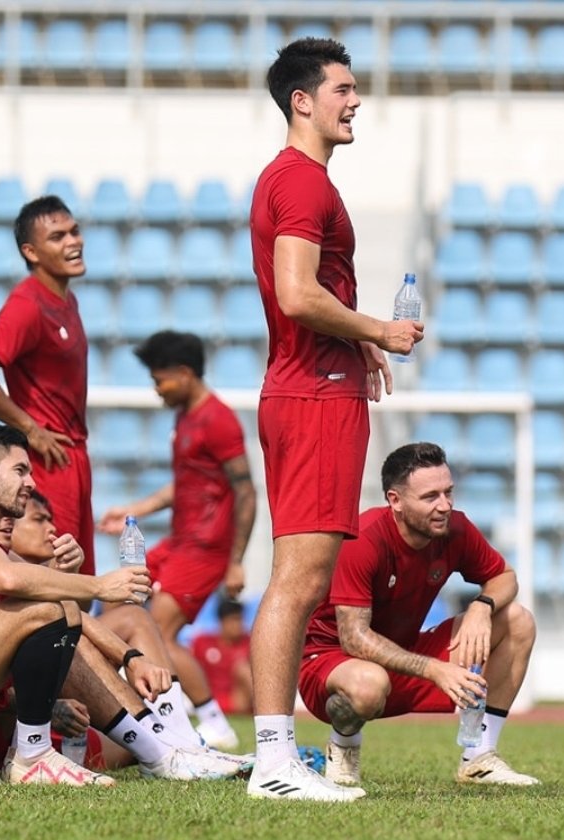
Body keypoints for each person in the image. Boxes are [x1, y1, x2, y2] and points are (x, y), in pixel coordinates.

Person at [245, 37, 425, 801]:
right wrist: (375, 330)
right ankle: (274, 761)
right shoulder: (300, 182)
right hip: (311, 396)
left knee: (301, 577)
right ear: (302, 101)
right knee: (297, 580)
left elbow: (309, 299)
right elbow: (294, 292)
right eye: (342, 89)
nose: (354, 102)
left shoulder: (300, 180)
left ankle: (276, 756)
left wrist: (357, 346)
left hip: (320, 386)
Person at [0, 422, 244, 785]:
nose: (31, 482)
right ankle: (40, 754)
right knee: (46, 610)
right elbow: (13, 582)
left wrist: (130, 658)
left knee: (58, 608)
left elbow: (57, 602)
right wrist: (100, 585)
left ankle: (167, 748)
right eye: (20, 470)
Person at [299, 442, 539, 787]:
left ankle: (479, 757)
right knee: (368, 684)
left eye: (448, 492)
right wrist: (434, 669)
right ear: (395, 501)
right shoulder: (362, 540)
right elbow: (354, 638)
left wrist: (481, 607)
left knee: (518, 620)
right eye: (430, 497)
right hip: (334, 663)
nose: (445, 505)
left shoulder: (455, 528)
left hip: (406, 654)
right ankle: (344, 746)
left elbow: (505, 577)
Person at [10, 490, 251, 773]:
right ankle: (173, 747)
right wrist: (130, 658)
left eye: (50, 519)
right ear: (6, 524)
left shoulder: (29, 569)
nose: (51, 528)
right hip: (22, 730)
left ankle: (182, 741)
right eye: (39, 520)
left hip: (67, 724)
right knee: (72, 639)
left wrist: (67, 574)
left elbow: (78, 615)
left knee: (134, 616)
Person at [98, 329, 256, 751]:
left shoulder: (218, 421)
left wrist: (236, 561)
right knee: (117, 601)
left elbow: (246, 490)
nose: (157, 390)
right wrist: (136, 509)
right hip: (180, 540)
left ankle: (212, 723)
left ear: (185, 373)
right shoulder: (185, 417)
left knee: (160, 634)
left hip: (206, 548)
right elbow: (184, 485)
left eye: (161, 380)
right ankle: (132, 705)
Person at [0, 195, 96, 577]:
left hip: (72, 456)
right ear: (31, 252)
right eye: (57, 237)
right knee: (59, 577)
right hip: (49, 461)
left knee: (79, 580)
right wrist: (31, 430)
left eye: (74, 231)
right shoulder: (28, 305)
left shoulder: (66, 300)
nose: (73, 242)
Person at [191, 599, 254, 716]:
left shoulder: (250, 642)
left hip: (241, 700)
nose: (238, 625)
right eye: (234, 620)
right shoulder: (203, 642)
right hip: (210, 699)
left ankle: (267, 711)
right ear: (222, 622)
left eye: (240, 619)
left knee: (243, 669)